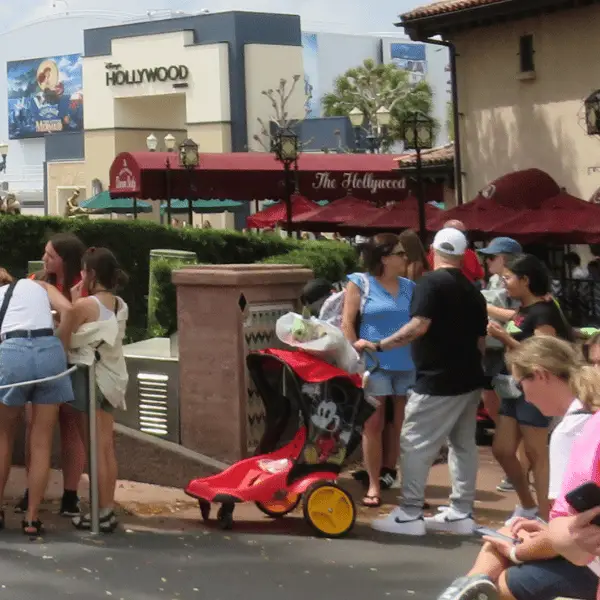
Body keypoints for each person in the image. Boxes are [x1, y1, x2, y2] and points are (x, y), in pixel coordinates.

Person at [436, 334, 600, 600]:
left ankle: (467, 587)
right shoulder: (584, 416)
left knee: (505, 576)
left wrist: (516, 551)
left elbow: (569, 534)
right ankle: (467, 585)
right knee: (507, 533)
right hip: (585, 550)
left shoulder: (572, 430)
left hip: (589, 562)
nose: (521, 394)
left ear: (541, 375)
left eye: (518, 383)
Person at [357, 227, 488, 534]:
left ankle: (410, 514)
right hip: (469, 379)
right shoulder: (472, 290)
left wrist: (379, 345)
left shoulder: (430, 282)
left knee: (414, 443)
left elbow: (419, 326)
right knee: (463, 446)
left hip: (437, 380)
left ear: (433, 250)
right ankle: (460, 513)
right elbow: (480, 341)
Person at [487, 254, 573, 522]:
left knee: (537, 455)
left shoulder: (544, 313)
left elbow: (543, 354)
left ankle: (548, 518)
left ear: (525, 280)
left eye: (509, 278)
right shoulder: (525, 310)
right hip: (513, 388)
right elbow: (511, 317)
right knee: (502, 449)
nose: (505, 284)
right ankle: (528, 505)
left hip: (534, 392)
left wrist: (503, 338)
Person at [16, 232, 87, 517]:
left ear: (65, 260)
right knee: (35, 430)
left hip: (71, 364)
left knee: (71, 429)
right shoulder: (35, 282)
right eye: (45, 253)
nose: (44, 259)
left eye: (51, 255)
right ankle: (31, 492)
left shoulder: (84, 286)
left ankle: (70, 495)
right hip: (43, 364)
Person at [341, 233, 415, 508]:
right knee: (373, 424)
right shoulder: (360, 283)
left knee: (403, 426)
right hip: (373, 364)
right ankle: (373, 484)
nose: (405, 258)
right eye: (400, 253)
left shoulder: (410, 287)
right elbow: (347, 322)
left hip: (407, 364)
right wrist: (354, 352)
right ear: (384, 258)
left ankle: (395, 477)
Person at [0, 270, 74, 536]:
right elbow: (69, 310)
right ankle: (32, 518)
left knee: (4, 436)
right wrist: (59, 345)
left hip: (13, 351)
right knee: (41, 441)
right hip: (49, 353)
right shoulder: (40, 286)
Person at [62, 248, 129, 532]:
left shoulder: (84, 306)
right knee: (106, 447)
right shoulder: (118, 303)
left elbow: (63, 338)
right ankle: (107, 509)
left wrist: (75, 303)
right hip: (112, 378)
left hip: (91, 378)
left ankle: (100, 513)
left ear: (90, 274)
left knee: (94, 448)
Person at [478, 237, 527, 493]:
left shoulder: (519, 282)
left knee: (515, 416)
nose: (486, 261)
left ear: (506, 259)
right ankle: (514, 469)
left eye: (492, 257)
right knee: (497, 411)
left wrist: (483, 305)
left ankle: (520, 470)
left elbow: (520, 317)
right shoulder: (495, 282)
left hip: (509, 353)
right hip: (491, 353)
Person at [427, 220, 484, 285]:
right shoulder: (434, 254)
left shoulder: (470, 254)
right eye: (458, 233)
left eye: (464, 233)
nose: (462, 236)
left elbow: (479, 277)